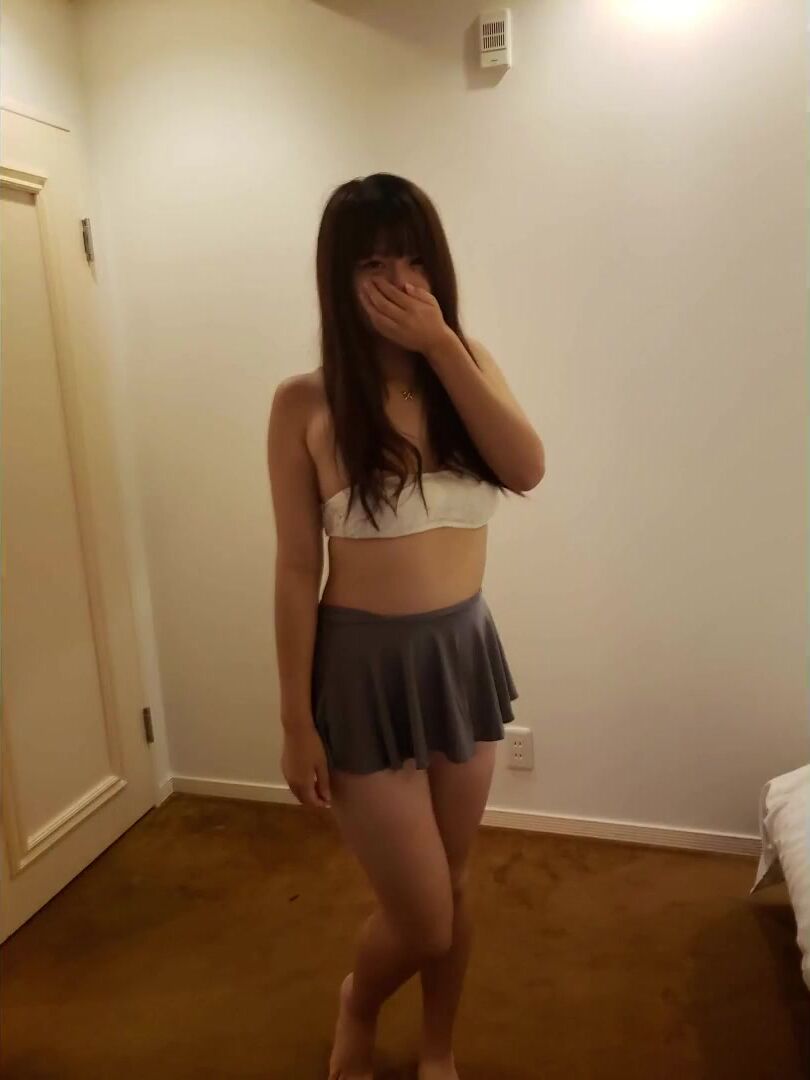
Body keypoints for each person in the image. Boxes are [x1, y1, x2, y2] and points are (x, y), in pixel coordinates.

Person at [267, 173, 545, 1080]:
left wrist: (443, 347)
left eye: (415, 260)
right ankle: (358, 1001)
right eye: (374, 265)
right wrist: (295, 722)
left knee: (454, 883)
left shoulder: (468, 365)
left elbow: (527, 468)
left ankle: (437, 1045)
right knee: (421, 913)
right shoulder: (304, 403)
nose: (400, 282)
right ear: (338, 279)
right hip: (361, 671)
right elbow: (296, 567)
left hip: (461, 655)